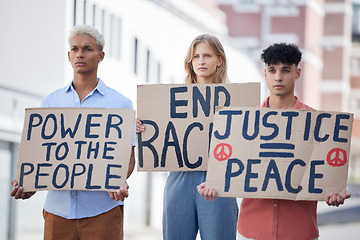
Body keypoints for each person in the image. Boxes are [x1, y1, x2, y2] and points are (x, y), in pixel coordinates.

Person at [197, 42, 351, 240]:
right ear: (265, 74)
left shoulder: (320, 125)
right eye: (272, 70)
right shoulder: (242, 124)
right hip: (251, 231)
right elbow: (232, 167)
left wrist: (332, 193)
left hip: (299, 232)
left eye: (285, 70)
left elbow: (325, 175)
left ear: (298, 73)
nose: (278, 77)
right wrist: (215, 184)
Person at [10, 25, 135, 240]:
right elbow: (40, 152)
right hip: (57, 212)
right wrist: (29, 183)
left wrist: (118, 180)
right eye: (75, 49)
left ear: (101, 56)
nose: (80, 54)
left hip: (103, 210)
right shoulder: (50, 102)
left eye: (87, 49)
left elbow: (129, 154)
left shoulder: (120, 104)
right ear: (69, 55)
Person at [136, 34, 239, 240]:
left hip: (217, 182)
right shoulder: (171, 100)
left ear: (219, 60)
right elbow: (159, 136)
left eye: (207, 55)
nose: (201, 61)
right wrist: (141, 127)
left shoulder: (235, 100)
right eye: (196, 57)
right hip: (179, 179)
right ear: (190, 63)